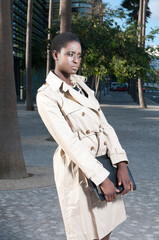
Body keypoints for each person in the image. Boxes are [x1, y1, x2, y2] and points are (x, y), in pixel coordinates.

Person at [36, 32, 133, 240]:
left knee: (106, 230)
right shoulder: (46, 95)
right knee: (85, 234)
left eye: (79, 55)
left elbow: (105, 125)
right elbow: (69, 142)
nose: (76, 60)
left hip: (105, 164)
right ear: (55, 55)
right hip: (78, 172)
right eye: (70, 54)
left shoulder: (82, 86)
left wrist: (121, 163)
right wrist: (101, 178)